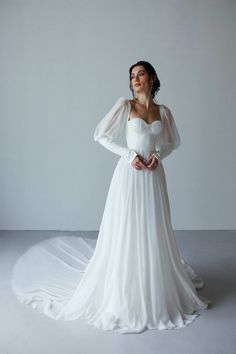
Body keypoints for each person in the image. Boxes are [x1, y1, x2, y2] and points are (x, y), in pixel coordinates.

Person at [11, 61, 211, 334]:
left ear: (152, 78)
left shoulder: (163, 111)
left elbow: (172, 142)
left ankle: (153, 284)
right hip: (129, 175)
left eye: (141, 74)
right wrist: (130, 155)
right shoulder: (125, 106)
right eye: (132, 76)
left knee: (153, 227)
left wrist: (157, 156)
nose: (135, 79)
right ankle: (125, 288)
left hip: (153, 177)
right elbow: (100, 135)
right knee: (127, 228)